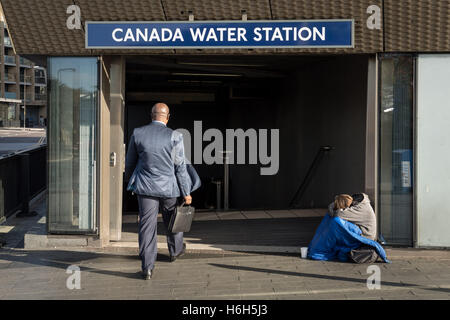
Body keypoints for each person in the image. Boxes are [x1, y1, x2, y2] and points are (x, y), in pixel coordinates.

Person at [125, 102, 196, 280]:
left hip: (146, 188)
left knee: (147, 226)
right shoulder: (175, 136)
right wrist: (186, 192)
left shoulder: (138, 133)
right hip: (169, 188)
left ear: (151, 115)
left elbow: (130, 163)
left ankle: (147, 267)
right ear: (168, 116)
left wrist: (130, 182)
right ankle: (175, 251)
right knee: (173, 220)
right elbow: (180, 168)